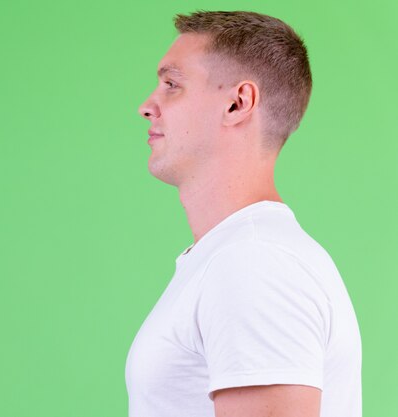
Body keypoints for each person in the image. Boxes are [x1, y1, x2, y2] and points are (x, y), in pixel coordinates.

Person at [125, 10, 362, 417]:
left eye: (172, 85)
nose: (147, 106)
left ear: (237, 104)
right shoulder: (239, 256)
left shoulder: (253, 262)